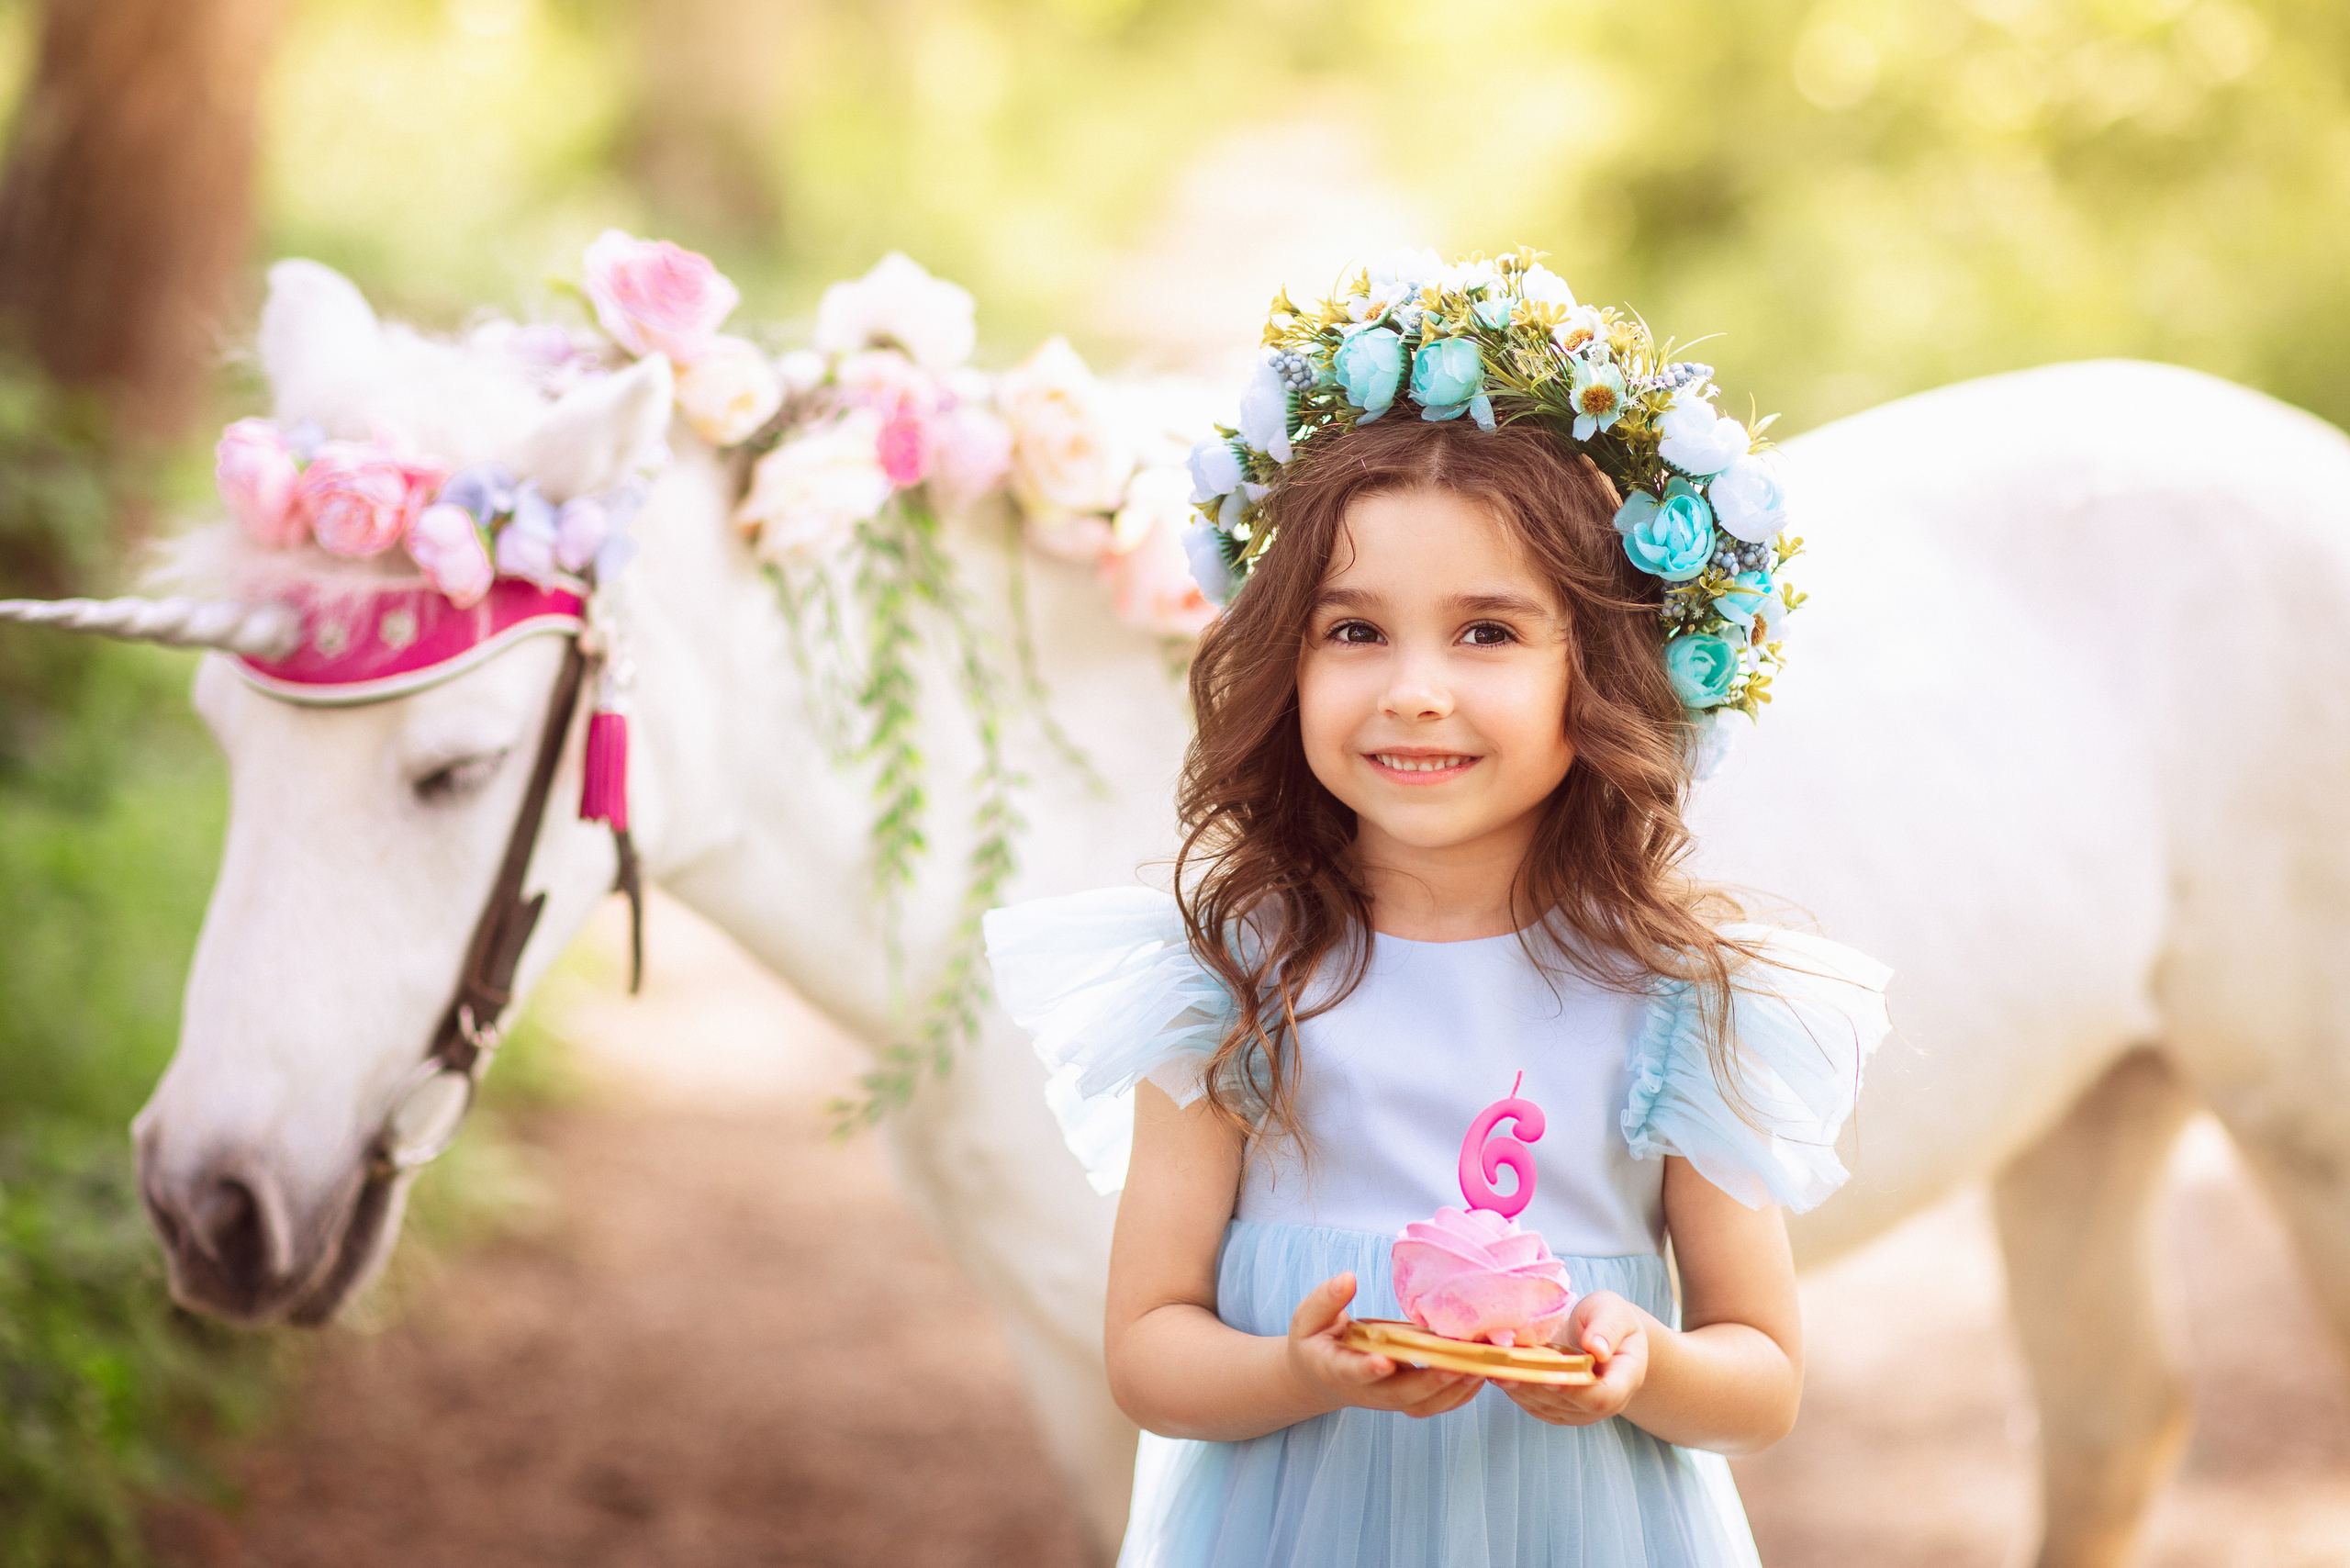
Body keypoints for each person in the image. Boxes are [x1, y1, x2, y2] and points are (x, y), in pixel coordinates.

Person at [985, 250, 1892, 1567]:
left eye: (1487, 633)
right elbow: (1148, 1350)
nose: (1414, 690)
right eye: (1355, 632)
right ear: (1286, 659)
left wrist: (1645, 1365)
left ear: (1602, 672)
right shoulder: (1228, 981)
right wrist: (1297, 1370)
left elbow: (1762, 1376)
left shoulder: (1678, 1000)